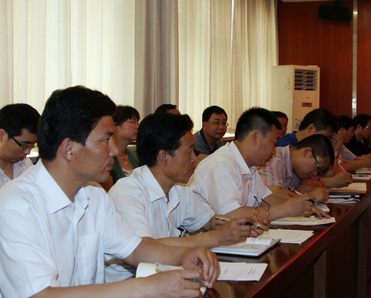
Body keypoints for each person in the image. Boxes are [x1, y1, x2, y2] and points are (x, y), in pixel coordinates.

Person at [0, 85, 219, 298]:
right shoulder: (17, 204)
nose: (115, 151)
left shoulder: (92, 196)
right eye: (105, 139)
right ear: (69, 149)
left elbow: (136, 250)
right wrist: (145, 288)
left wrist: (184, 254)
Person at [106, 112, 267, 280]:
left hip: (167, 276)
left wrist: (239, 224)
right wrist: (216, 237)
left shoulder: (179, 190)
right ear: (163, 157)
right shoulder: (127, 193)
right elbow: (144, 248)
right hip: (131, 283)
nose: (194, 159)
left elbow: (210, 221)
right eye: (189, 151)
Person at [188, 107, 329, 222]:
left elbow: (265, 198)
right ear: (255, 136)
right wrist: (285, 209)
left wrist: (302, 206)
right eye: (273, 142)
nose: (274, 150)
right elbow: (231, 214)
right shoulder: (221, 164)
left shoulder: (249, 166)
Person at [258, 134, 334, 201]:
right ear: (306, 152)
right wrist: (310, 197)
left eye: (319, 172)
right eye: (317, 167)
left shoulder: (298, 168)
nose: (315, 173)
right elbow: (270, 196)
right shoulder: (274, 160)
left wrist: (306, 182)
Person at [100, 105, 141, 192]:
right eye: (132, 122)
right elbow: (110, 192)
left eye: (137, 123)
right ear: (115, 127)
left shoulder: (136, 155)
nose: (136, 127)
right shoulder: (106, 157)